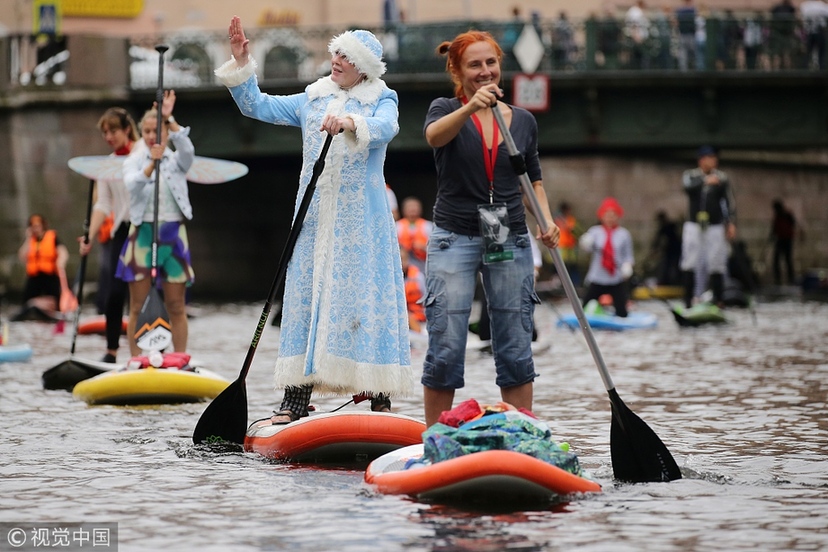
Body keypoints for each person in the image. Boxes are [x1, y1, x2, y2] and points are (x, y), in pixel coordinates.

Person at [216, 17, 412, 422]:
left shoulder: (382, 97)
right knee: (305, 299)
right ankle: (296, 397)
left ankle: (377, 395)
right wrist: (241, 62)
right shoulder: (313, 97)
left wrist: (350, 122)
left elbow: (387, 128)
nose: (336, 60)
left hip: (363, 225)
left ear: (364, 68)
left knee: (362, 300)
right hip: (314, 221)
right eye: (335, 52)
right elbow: (258, 106)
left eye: (346, 56)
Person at [421, 30, 560, 427]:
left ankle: (520, 431)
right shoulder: (444, 108)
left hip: (510, 236)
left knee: (516, 344)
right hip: (455, 237)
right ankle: (435, 438)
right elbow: (434, 137)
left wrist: (546, 221)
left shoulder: (524, 121)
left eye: (491, 63)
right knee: (447, 344)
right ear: (458, 71)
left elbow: (532, 180)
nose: (485, 72)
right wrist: (469, 108)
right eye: (475, 65)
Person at [118, 91, 195, 357]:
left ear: (164, 133)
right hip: (143, 235)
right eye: (147, 131)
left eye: (156, 131)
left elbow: (188, 150)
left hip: (172, 233)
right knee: (137, 304)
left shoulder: (176, 162)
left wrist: (169, 118)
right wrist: (152, 163)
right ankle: (136, 358)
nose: (152, 136)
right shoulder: (134, 161)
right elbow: (132, 184)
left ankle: (179, 356)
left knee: (175, 304)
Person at [78, 108, 140, 363]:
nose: (108, 136)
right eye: (104, 132)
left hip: (144, 229)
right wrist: (89, 237)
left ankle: (150, 350)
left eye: (113, 131)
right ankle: (112, 351)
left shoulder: (144, 153)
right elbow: (103, 204)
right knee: (114, 293)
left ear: (126, 129)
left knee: (143, 294)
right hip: (121, 231)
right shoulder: (107, 164)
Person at [680, 145, 736, 308]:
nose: (714, 161)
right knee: (689, 261)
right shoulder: (690, 175)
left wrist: (730, 222)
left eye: (715, 158)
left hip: (715, 226)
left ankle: (719, 300)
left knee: (716, 261)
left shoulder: (722, 178)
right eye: (711, 157)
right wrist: (705, 180)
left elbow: (727, 202)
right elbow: (687, 188)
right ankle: (688, 301)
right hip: (694, 225)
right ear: (702, 160)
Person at [578, 197, 634, 317]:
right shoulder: (594, 231)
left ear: (618, 216)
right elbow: (587, 248)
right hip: (597, 277)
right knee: (583, 309)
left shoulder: (624, 234)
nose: (610, 218)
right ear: (602, 216)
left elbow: (628, 256)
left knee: (622, 313)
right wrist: (584, 243)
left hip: (615, 278)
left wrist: (627, 266)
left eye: (613, 215)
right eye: (607, 214)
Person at [14, 214, 70, 319]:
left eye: (37, 226)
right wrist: (28, 239)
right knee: (25, 303)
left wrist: (61, 262)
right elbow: (22, 256)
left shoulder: (52, 237)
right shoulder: (30, 241)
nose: (35, 229)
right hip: (35, 277)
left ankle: (53, 312)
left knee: (55, 299)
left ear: (43, 226)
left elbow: (63, 252)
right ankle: (33, 308)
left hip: (50, 276)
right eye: (33, 226)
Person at [397, 196, 432, 272]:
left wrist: (423, 247)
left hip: (423, 263)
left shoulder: (428, 226)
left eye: (415, 207)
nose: (412, 209)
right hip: (403, 265)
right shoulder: (397, 226)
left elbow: (435, 248)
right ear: (403, 209)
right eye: (409, 207)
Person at [552, 201, 582, 286]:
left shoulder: (571, 220)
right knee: (558, 268)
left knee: (572, 268)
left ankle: (575, 285)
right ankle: (558, 285)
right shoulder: (557, 220)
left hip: (570, 249)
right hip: (560, 248)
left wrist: (571, 229)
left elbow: (577, 232)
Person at [650, 210, 682, 286]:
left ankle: (674, 281)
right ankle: (668, 281)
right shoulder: (668, 226)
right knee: (669, 266)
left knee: (673, 266)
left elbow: (658, 240)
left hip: (675, 249)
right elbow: (657, 240)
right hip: (671, 250)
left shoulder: (669, 226)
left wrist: (655, 249)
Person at [770, 199, 797, 285]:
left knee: (788, 259)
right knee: (776, 259)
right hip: (780, 239)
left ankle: (791, 277)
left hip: (787, 240)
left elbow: (793, 224)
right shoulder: (777, 217)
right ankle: (777, 278)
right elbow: (774, 229)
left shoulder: (787, 215)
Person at [401, 247, 426, 333]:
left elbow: (428, 300)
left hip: (419, 318)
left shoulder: (418, 277)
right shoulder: (390, 282)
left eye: (403, 259)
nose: (401, 263)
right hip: (402, 319)